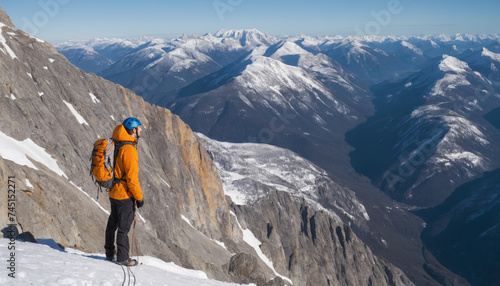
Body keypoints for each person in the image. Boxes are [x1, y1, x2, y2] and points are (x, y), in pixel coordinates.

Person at [104, 117, 144, 266]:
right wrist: (139, 198)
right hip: (124, 195)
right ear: (133, 130)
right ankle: (122, 258)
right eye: (139, 128)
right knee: (124, 228)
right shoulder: (129, 149)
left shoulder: (117, 143)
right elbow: (132, 179)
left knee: (112, 223)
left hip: (113, 191)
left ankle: (109, 253)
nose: (141, 130)